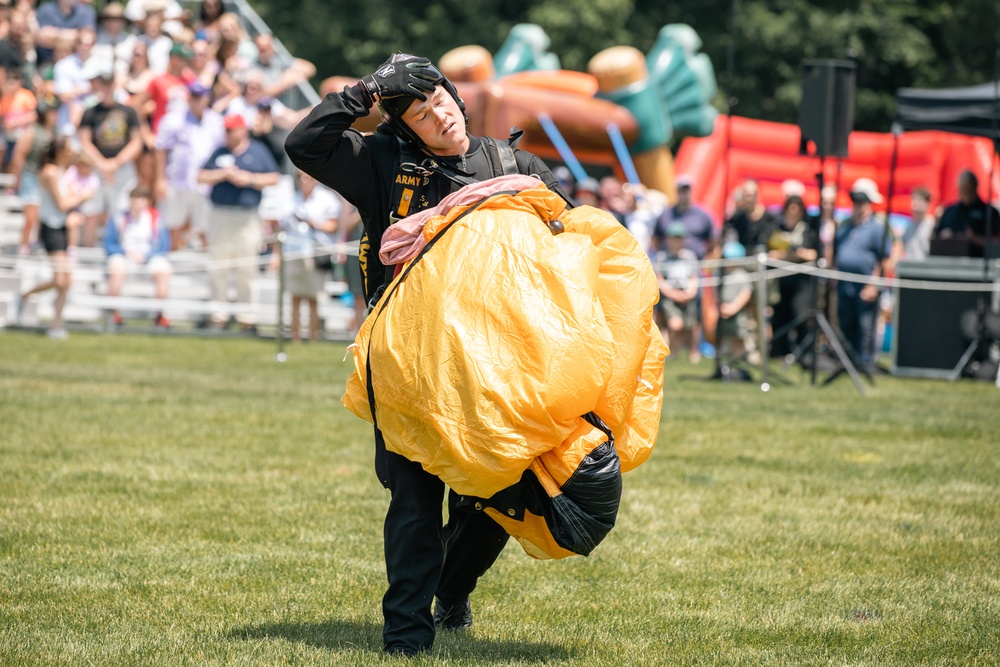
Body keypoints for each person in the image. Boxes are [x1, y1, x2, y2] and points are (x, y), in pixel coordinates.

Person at [284, 52, 569, 657]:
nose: (439, 116)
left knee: (500, 494)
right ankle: (407, 636)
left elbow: (569, 250)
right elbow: (305, 144)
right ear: (404, 127)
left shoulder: (516, 165)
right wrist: (362, 92)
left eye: (441, 101)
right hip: (410, 368)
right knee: (414, 500)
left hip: (498, 364)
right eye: (420, 112)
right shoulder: (382, 164)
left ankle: (452, 588)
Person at [197, 112, 280, 332]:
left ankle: (248, 317)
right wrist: (222, 174)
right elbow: (201, 176)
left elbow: (274, 177)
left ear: (242, 130)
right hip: (220, 213)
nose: (227, 133)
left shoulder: (257, 151)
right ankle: (218, 315)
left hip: (247, 215)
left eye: (231, 129)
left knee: (247, 267)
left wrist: (249, 179)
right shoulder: (219, 152)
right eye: (226, 129)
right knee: (218, 265)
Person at [17, 134, 96, 338]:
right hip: (50, 228)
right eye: (68, 148)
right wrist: (84, 195)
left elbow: (68, 199)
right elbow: (62, 204)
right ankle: (25, 295)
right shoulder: (50, 172)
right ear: (60, 151)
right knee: (61, 280)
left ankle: (56, 324)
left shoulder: (62, 171)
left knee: (66, 280)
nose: (72, 151)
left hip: (60, 227)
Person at [154, 79, 224, 250]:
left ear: (207, 98)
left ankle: (208, 263)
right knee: (172, 223)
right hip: (177, 180)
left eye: (199, 96)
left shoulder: (215, 121)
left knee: (206, 226)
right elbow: (161, 150)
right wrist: (160, 180)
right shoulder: (173, 119)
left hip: (206, 183)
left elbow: (221, 149)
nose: (196, 100)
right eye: (193, 96)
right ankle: (170, 259)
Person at [833, 178, 893, 372]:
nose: (857, 206)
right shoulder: (844, 227)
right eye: (855, 201)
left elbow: (884, 259)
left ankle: (865, 364)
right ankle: (849, 364)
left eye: (862, 202)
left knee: (866, 328)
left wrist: (873, 285)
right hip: (845, 286)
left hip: (865, 287)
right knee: (846, 325)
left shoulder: (877, 228)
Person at [77, 63, 142, 236]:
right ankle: (88, 253)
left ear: (115, 84)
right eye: (103, 83)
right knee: (91, 211)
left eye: (110, 83)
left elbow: (136, 141)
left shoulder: (128, 111)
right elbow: (84, 141)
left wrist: (116, 163)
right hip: (96, 169)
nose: (107, 87)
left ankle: (120, 252)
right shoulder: (90, 112)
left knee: (122, 211)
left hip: (122, 169)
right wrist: (102, 164)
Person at [278, 171, 341, 342]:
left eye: (309, 177)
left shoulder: (327, 198)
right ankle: (295, 337)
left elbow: (334, 225)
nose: (305, 181)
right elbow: (280, 226)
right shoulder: (290, 200)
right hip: (292, 252)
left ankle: (313, 337)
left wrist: (315, 223)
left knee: (313, 298)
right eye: (302, 177)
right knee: (295, 297)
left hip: (315, 253)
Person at [102, 183, 171, 327]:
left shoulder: (156, 218)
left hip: (150, 257)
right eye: (134, 200)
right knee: (116, 265)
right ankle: (113, 312)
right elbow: (109, 244)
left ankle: (159, 314)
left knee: (164, 269)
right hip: (125, 256)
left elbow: (164, 246)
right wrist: (126, 253)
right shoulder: (118, 218)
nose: (136, 204)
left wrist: (146, 256)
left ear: (147, 201)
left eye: (140, 200)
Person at [766, 194, 820, 359]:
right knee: (780, 317)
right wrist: (791, 255)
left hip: (802, 282)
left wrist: (796, 255)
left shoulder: (809, 229)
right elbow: (770, 253)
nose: (794, 211)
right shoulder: (777, 227)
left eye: (797, 208)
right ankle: (779, 352)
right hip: (781, 281)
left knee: (801, 315)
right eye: (791, 208)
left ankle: (805, 354)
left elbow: (814, 254)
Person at [11, 94, 59, 255]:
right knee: (31, 217)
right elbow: (18, 157)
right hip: (31, 178)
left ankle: (38, 245)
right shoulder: (32, 132)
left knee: (42, 217)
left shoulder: (54, 132)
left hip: (47, 179)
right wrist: (19, 180)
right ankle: (23, 247)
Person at [654, 221, 700, 361]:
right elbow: (659, 279)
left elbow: (694, 277)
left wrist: (690, 292)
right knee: (675, 324)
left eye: (679, 238)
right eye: (674, 238)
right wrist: (673, 294)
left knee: (692, 324)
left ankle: (694, 352)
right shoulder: (662, 257)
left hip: (687, 293)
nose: (676, 241)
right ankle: (673, 350)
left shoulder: (690, 256)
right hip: (669, 295)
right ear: (668, 239)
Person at [936, 169, 1000, 257]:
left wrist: (973, 238)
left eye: (969, 190)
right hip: (951, 263)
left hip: (979, 262)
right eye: (963, 190)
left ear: (975, 188)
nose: (966, 194)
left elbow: (996, 242)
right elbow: (936, 238)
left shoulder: (989, 212)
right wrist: (945, 237)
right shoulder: (949, 212)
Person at [655, 174, 717, 260]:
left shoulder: (703, 215)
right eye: (681, 190)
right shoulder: (665, 214)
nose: (684, 193)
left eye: (686, 190)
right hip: (668, 265)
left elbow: (713, 242)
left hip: (696, 265)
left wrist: (706, 264)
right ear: (676, 191)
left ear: (691, 191)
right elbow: (655, 239)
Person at [716, 241, 756, 363]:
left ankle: (738, 361)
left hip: (738, 313)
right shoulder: (722, 274)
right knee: (725, 338)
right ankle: (726, 362)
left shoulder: (742, 275)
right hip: (723, 310)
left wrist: (733, 308)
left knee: (739, 337)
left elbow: (746, 293)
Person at [724, 178, 779, 253]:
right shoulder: (737, 218)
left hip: (762, 261)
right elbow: (728, 233)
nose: (748, 199)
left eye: (750, 195)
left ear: (757, 195)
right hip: (742, 260)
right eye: (745, 195)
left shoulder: (770, 219)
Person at [899, 186, 935, 262]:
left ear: (928, 204)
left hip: (926, 269)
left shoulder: (933, 225)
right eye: (914, 199)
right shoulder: (908, 227)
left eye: (920, 200)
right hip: (909, 269)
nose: (917, 203)